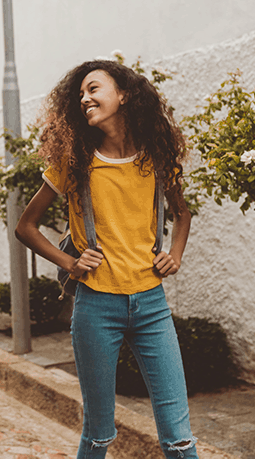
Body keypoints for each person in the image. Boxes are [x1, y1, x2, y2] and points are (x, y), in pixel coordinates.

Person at [15, 59, 198, 459]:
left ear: (124, 94)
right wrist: (69, 264)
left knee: (179, 437)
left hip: (151, 304)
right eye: (80, 93)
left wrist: (175, 254)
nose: (85, 98)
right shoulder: (74, 163)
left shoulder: (156, 158)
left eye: (94, 89)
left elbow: (183, 213)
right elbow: (26, 226)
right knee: (99, 432)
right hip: (96, 305)